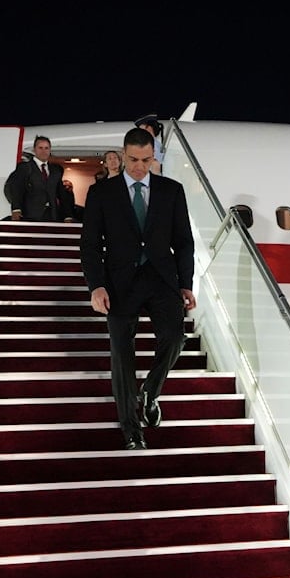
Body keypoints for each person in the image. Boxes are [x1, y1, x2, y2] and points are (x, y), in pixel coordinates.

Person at [80, 127, 197, 450]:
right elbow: (90, 245)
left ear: (153, 157)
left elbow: (184, 242)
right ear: (123, 153)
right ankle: (131, 430)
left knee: (175, 338)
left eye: (146, 160)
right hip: (119, 284)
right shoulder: (102, 193)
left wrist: (185, 284)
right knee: (122, 356)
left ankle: (151, 391)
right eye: (133, 159)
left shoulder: (171, 191)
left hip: (162, 280)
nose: (139, 167)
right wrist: (96, 286)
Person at [7, 135, 74, 222]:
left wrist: (67, 216)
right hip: (31, 216)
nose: (44, 151)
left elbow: (61, 194)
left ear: (50, 150)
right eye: (40, 148)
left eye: (46, 148)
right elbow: (17, 189)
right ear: (34, 149)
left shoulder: (56, 170)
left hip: (52, 217)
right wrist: (16, 210)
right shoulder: (24, 168)